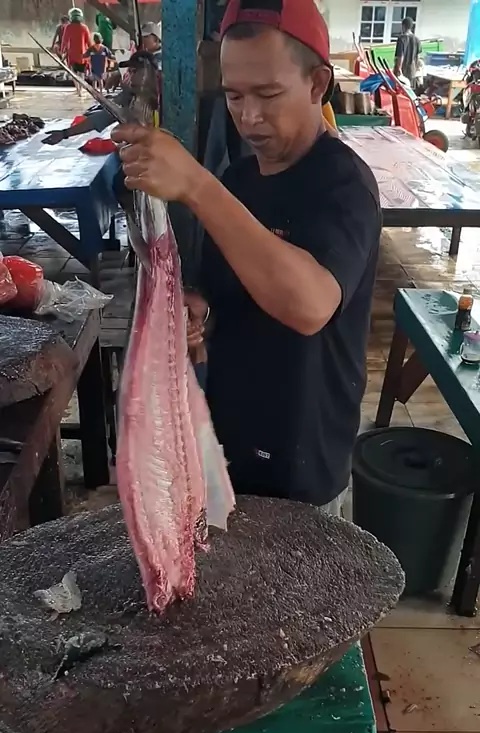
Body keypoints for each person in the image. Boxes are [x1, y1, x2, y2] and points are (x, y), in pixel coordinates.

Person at [112, 0, 381, 516]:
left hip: (303, 465)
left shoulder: (345, 186)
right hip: (229, 448)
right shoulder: (237, 179)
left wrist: (196, 185)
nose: (249, 116)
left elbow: (310, 306)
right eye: (234, 96)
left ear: (317, 84)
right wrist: (200, 314)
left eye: (268, 94)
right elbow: (225, 292)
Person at [61, 8, 92, 96]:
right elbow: (89, 42)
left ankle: (78, 89)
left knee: (73, 73)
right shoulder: (84, 27)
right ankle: (80, 90)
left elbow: (64, 40)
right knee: (81, 73)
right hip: (82, 54)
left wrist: (62, 50)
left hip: (72, 54)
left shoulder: (68, 27)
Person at [394, 17, 421, 89]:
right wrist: (416, 68)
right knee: (410, 90)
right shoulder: (417, 39)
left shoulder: (401, 38)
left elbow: (400, 56)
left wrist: (398, 68)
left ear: (403, 26)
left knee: (400, 90)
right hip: (412, 70)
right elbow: (418, 56)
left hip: (403, 69)